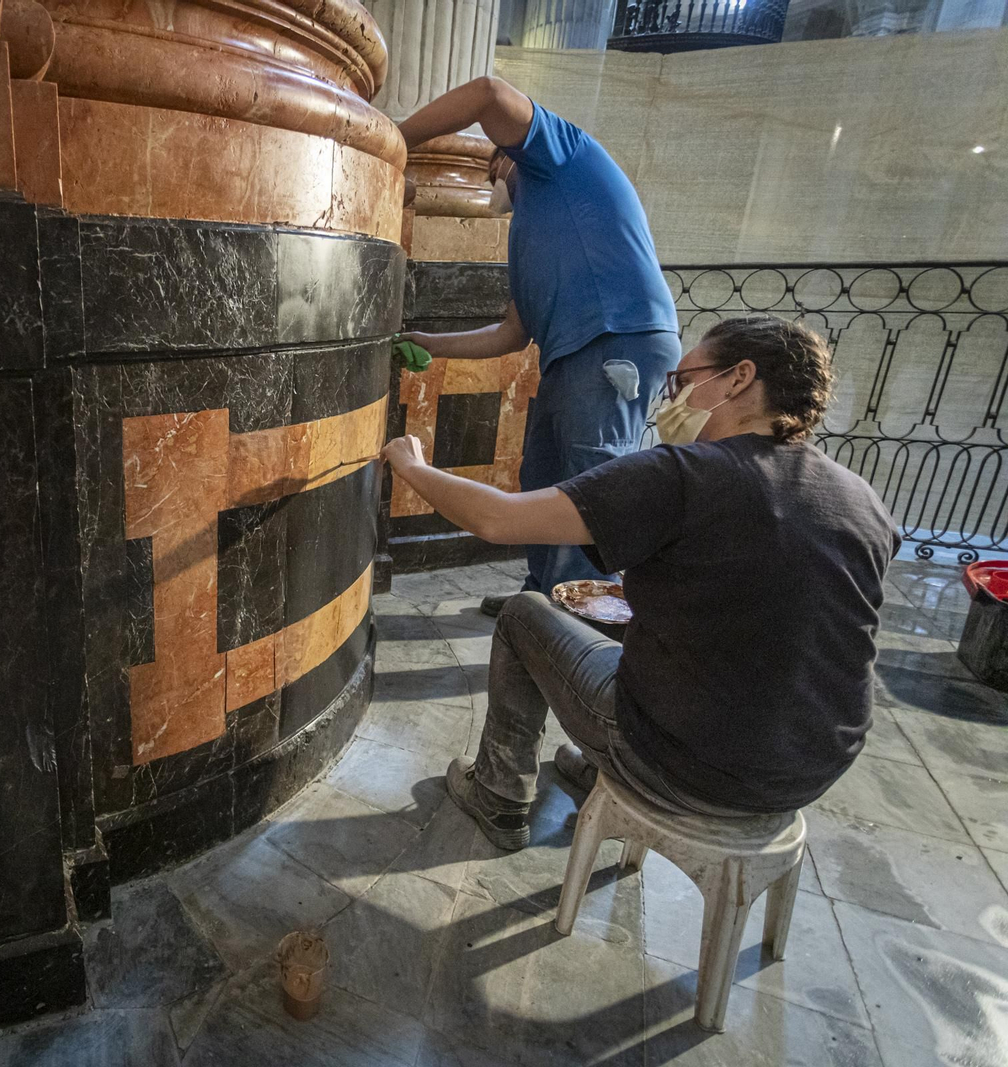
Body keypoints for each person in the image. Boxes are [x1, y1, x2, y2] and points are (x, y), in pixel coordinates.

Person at [379, 316, 900, 849]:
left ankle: (499, 790)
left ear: (738, 378)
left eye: (680, 382)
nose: (668, 400)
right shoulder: (861, 498)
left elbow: (498, 520)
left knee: (522, 615)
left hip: (687, 765)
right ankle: (594, 765)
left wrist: (412, 466)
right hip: (810, 770)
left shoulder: (680, 474)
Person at [396, 76, 682, 616]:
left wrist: (393, 140)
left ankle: (581, 621)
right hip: (577, 354)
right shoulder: (533, 225)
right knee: (544, 479)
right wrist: (429, 342)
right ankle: (544, 599)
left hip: (614, 339)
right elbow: (511, 334)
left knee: (586, 486)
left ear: (506, 155)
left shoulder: (563, 158)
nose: (490, 180)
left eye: (490, 166)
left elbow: (486, 94)